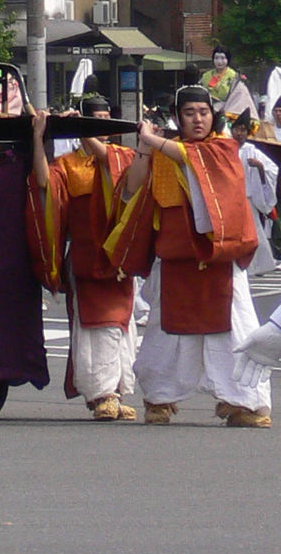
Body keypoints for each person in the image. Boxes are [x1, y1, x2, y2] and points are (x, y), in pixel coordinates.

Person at [106, 85, 270, 427]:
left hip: (220, 259)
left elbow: (190, 158)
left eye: (204, 112)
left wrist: (154, 141)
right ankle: (159, 399)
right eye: (189, 113)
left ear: (214, 116)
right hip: (176, 258)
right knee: (166, 335)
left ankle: (242, 402)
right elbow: (132, 188)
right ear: (178, 116)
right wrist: (143, 149)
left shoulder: (222, 148)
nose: (198, 119)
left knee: (236, 333)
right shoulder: (161, 149)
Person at [29, 95, 137, 422]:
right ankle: (100, 393)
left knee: (121, 326)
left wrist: (86, 132)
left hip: (118, 256)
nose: (102, 130)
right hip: (86, 257)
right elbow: (44, 184)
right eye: (95, 121)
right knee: (95, 325)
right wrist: (38, 138)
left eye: (106, 121)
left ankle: (116, 390)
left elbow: (116, 169)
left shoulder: (122, 157)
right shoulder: (69, 165)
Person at [230, 108, 279, 277]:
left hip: (247, 196)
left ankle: (258, 265)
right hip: (229, 196)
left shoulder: (251, 150)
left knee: (253, 231)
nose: (239, 133)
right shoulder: (225, 148)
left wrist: (259, 166)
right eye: (237, 129)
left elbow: (273, 168)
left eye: (243, 130)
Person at [199, 46, 238, 112]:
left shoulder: (234, 76)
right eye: (216, 58)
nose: (219, 62)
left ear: (228, 59)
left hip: (229, 111)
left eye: (223, 58)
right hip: (208, 110)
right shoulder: (206, 76)